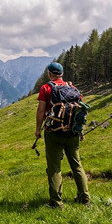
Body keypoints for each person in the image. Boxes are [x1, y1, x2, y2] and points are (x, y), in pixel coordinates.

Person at [35, 62, 90, 209]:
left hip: (54, 133)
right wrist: (81, 131)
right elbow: (81, 113)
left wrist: (37, 130)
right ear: (62, 74)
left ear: (49, 74)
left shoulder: (46, 88)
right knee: (76, 165)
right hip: (72, 134)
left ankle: (56, 203)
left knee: (54, 167)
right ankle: (84, 199)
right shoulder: (73, 89)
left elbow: (41, 111)